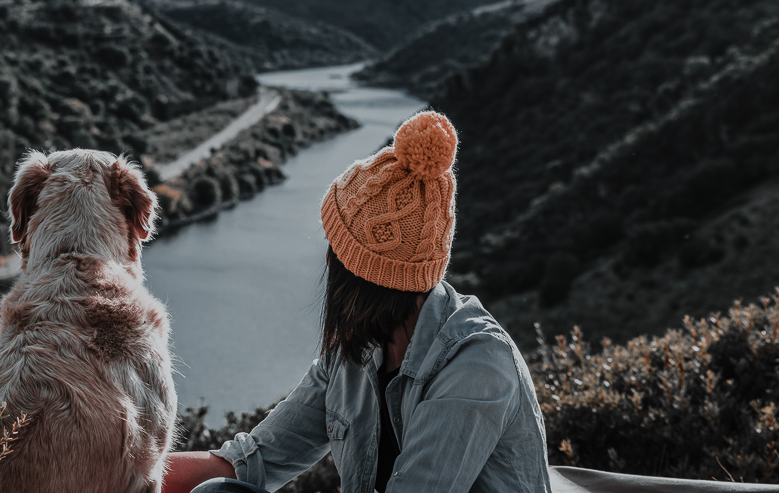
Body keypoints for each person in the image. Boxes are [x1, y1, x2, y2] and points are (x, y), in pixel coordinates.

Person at [163, 111, 552, 493]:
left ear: (361, 272)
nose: (328, 262)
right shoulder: (355, 353)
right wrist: (117, 476)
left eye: (336, 250)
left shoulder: (477, 366)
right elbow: (251, 462)